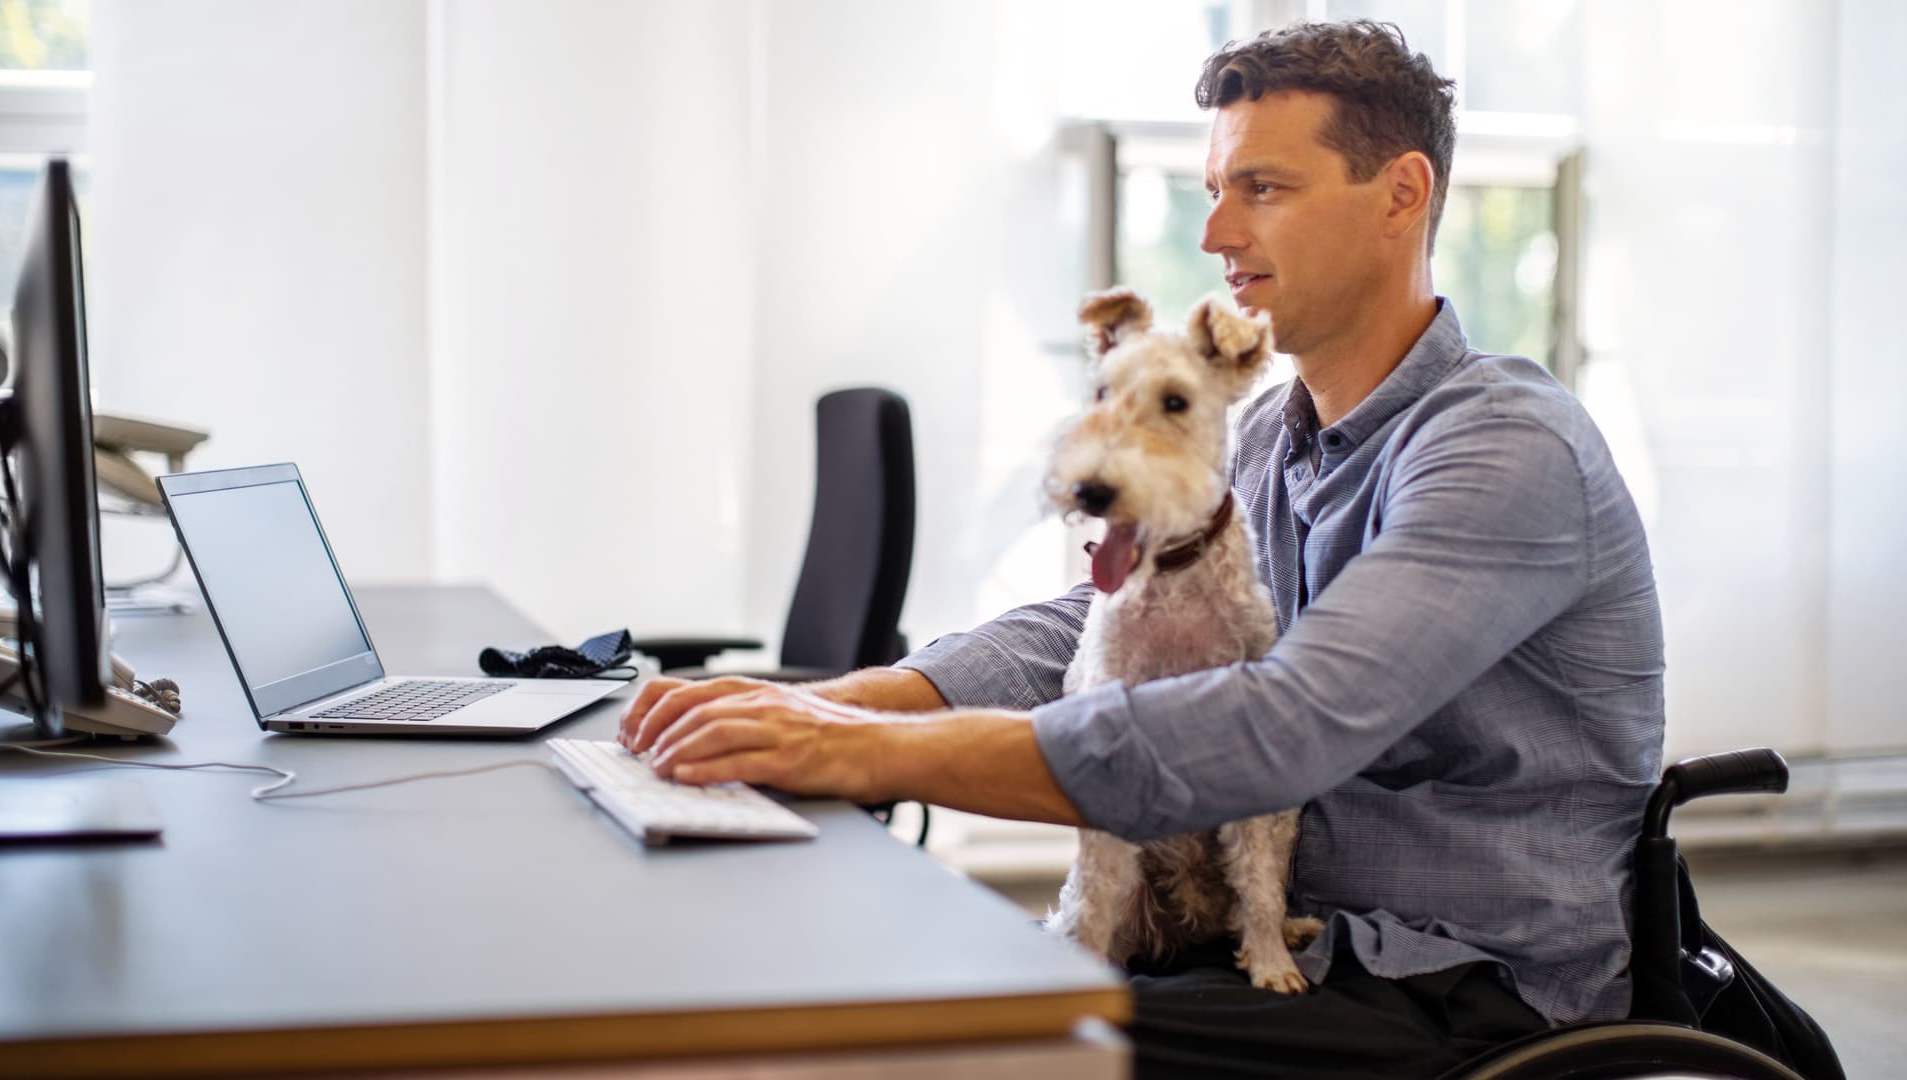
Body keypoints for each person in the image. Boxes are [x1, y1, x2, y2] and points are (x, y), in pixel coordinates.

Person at [620, 19, 1663, 1079]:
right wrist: (844, 705)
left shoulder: (1505, 447)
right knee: (894, 982)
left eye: (1262, 188)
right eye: (1214, 189)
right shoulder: (1264, 432)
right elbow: (1105, 620)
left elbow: (1284, 724)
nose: (1216, 233)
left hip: (1458, 981)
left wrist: (861, 756)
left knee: (952, 1044)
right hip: (1275, 935)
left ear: (1401, 194)